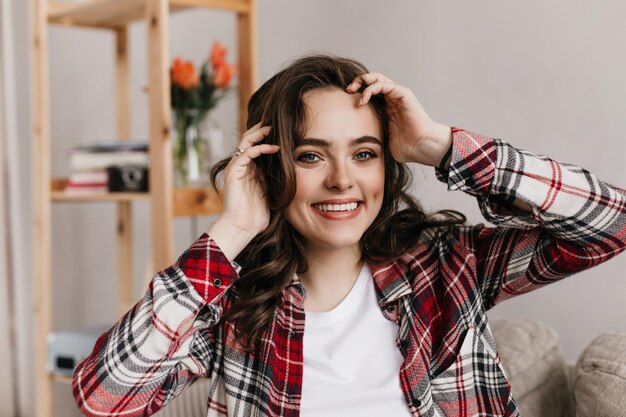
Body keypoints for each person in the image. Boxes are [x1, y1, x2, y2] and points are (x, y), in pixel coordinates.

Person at [72, 54, 626, 417]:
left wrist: (442, 145)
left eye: (364, 153)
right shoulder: (234, 305)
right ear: (270, 170)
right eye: (311, 155)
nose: (342, 179)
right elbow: (103, 398)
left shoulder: (449, 266)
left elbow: (610, 223)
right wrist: (232, 230)